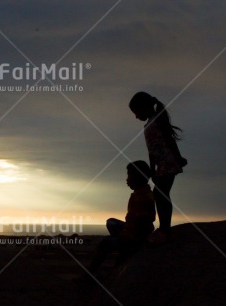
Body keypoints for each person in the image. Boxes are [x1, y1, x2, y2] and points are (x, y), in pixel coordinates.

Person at [75, 161, 155, 283]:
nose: (127, 180)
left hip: (135, 237)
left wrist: (126, 235)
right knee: (111, 222)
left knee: (105, 243)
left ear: (139, 177)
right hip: (132, 231)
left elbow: (141, 224)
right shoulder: (141, 193)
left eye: (130, 176)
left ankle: (89, 275)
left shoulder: (142, 197)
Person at [129, 92, 187, 245]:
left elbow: (169, 139)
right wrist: (152, 169)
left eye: (136, 112)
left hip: (168, 162)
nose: (136, 116)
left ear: (144, 107)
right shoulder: (149, 123)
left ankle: (165, 230)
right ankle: (164, 229)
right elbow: (151, 150)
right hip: (161, 164)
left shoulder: (158, 119)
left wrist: (178, 158)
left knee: (161, 194)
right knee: (159, 194)